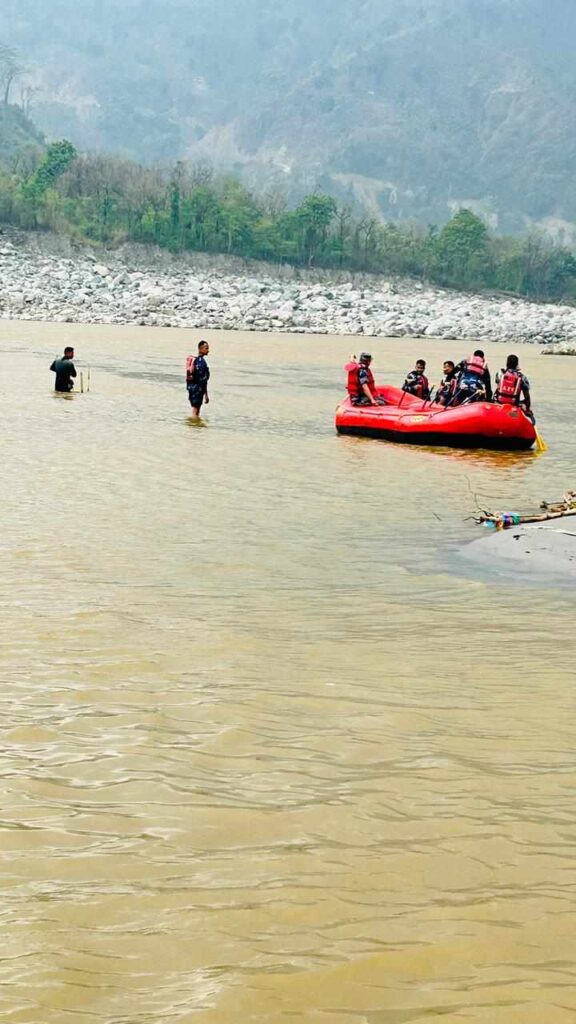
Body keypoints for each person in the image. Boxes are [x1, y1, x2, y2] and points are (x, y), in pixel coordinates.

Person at [186, 340, 210, 417]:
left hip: (192, 388)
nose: (208, 350)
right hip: (198, 389)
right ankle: (194, 423)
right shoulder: (201, 362)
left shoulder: (196, 361)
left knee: (195, 409)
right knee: (196, 411)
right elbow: (203, 380)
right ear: (200, 349)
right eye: (206, 348)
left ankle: (193, 423)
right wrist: (206, 395)